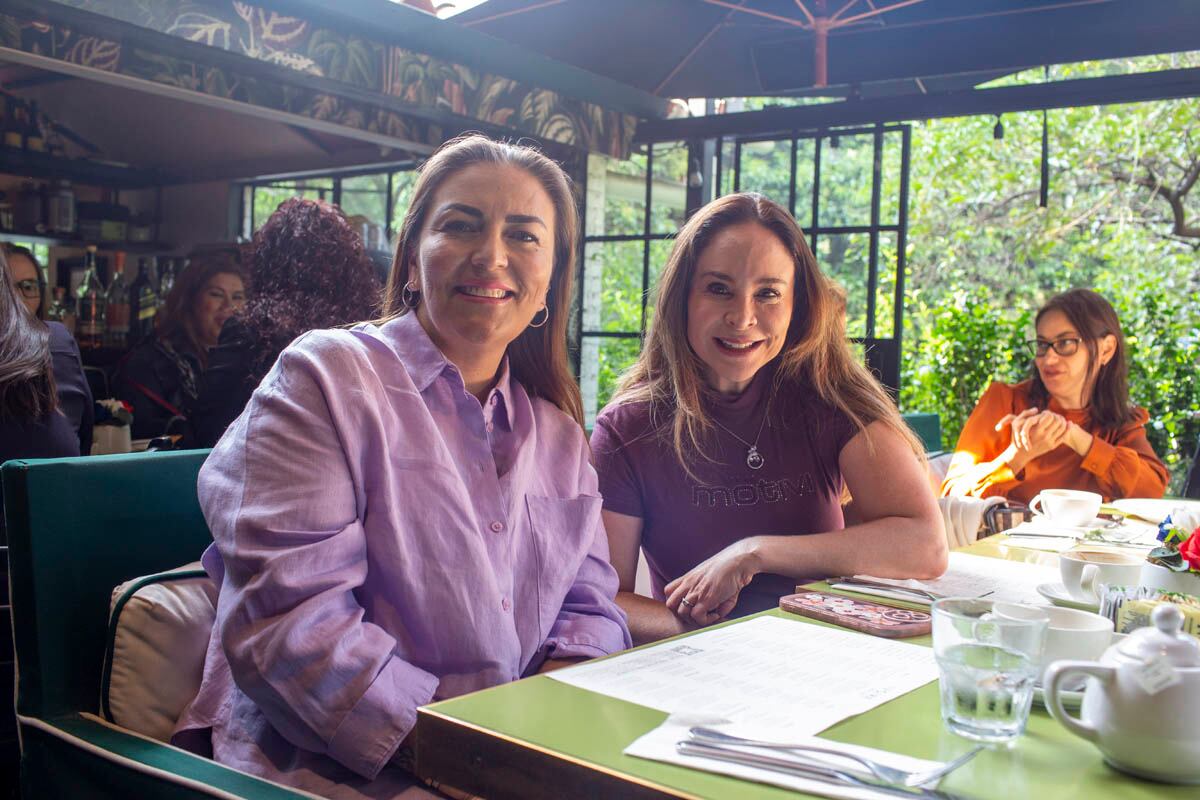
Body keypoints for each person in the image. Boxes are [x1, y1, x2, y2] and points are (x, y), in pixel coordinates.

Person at [172, 134, 630, 799]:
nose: (492, 254)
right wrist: (474, 756)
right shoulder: (325, 378)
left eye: (525, 236)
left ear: (549, 286)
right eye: (461, 225)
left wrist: (541, 735)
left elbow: (588, 606)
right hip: (330, 766)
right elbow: (292, 629)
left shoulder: (559, 435)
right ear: (414, 261)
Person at [591, 193, 946, 645]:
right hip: (697, 664)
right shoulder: (627, 428)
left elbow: (926, 545)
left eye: (768, 294)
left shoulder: (830, 400)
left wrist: (756, 553)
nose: (742, 318)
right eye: (718, 288)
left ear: (797, 304)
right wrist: (728, 636)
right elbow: (605, 598)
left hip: (834, 655)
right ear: (682, 297)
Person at [941, 288, 1168, 504]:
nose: (1048, 359)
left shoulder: (1121, 421)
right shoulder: (1005, 401)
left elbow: (1151, 492)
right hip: (1005, 545)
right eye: (1042, 344)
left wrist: (1076, 438)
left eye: (1065, 343)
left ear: (1106, 349)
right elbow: (952, 497)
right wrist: (1017, 456)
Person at [188, 198, 380, 447]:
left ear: (267, 263)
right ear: (350, 268)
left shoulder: (250, 330)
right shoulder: (369, 334)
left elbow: (209, 430)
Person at [115, 250, 246, 439]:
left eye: (238, 297)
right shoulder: (149, 363)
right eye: (216, 295)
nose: (229, 306)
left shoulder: (246, 360)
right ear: (189, 301)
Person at [4, 243, 92, 453]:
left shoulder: (57, 342)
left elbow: (83, 438)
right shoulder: (59, 340)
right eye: (6, 289)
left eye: (28, 287)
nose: (17, 300)